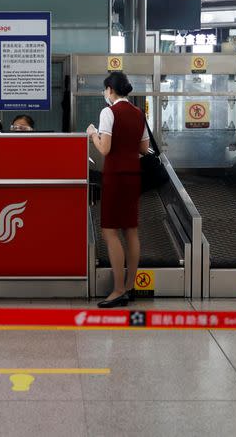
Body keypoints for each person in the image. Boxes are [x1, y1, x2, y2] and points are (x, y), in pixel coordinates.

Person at [86, 72, 149, 308]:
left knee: (109, 231)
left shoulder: (108, 112)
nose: (105, 94)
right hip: (134, 176)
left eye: (105, 90)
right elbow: (144, 148)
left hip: (115, 176)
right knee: (131, 230)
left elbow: (104, 148)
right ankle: (131, 286)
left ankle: (118, 289)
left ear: (110, 90)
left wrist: (93, 134)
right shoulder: (138, 113)